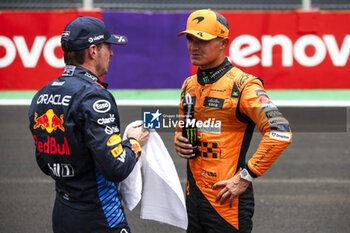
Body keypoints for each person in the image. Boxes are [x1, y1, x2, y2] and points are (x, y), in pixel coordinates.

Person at [174, 9, 292, 233]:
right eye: (190, 38)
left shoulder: (244, 86)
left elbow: (280, 132)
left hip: (227, 201)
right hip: (193, 197)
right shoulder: (189, 84)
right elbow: (182, 128)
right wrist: (178, 138)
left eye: (202, 40)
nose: (193, 46)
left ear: (223, 43)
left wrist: (246, 175)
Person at [28, 16, 149, 233]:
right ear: (93, 51)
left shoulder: (42, 95)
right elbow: (117, 167)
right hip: (100, 217)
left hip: (62, 214)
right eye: (108, 47)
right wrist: (134, 142)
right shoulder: (94, 97)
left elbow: (45, 162)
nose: (111, 53)